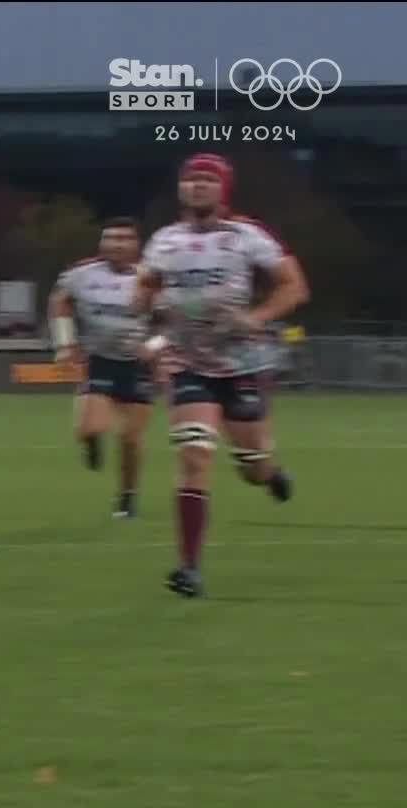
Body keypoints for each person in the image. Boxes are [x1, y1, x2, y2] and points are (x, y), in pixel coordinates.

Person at [134, 153, 310, 599]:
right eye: (190, 179)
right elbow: (144, 288)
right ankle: (189, 568)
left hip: (242, 363)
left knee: (252, 467)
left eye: (207, 180)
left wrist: (258, 316)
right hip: (188, 362)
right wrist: (151, 314)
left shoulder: (246, 235)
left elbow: (294, 285)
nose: (197, 186)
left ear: (223, 189)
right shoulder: (164, 241)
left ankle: (270, 474)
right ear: (180, 189)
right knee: (195, 455)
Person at [49, 217, 153, 518]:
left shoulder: (151, 278)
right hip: (99, 361)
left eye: (124, 239)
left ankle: (127, 496)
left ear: (135, 245)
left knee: (130, 438)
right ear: (102, 243)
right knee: (89, 429)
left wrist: (155, 346)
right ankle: (92, 444)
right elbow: (59, 301)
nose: (116, 244)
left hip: (136, 365)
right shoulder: (82, 274)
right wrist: (65, 343)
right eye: (110, 238)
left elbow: (173, 321)